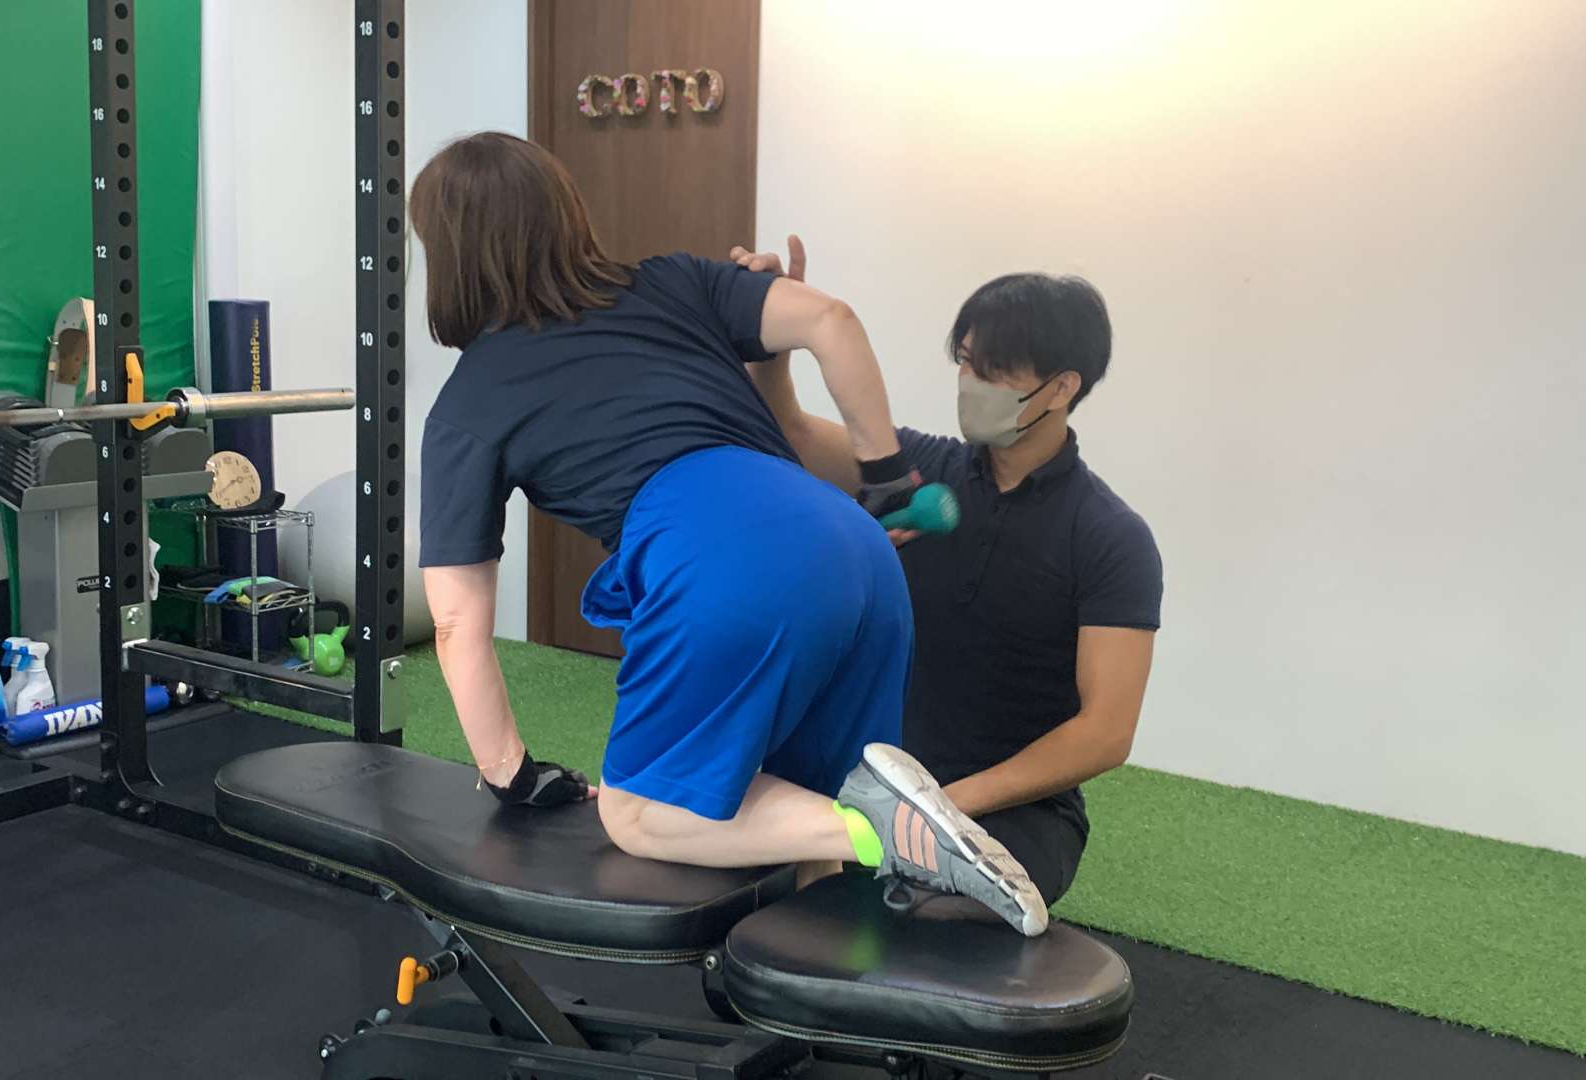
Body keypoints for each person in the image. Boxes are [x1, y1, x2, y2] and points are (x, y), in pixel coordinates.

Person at [408, 133, 1047, 936]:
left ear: (450, 256)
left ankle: (883, 830)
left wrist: (510, 774)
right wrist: (886, 474)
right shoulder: (674, 282)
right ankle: (827, 980)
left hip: (724, 562)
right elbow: (831, 319)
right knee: (799, 805)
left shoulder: (467, 405)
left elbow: (456, 624)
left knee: (640, 813)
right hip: (852, 543)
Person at [736, 236, 1162, 904]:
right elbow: (790, 432)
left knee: (921, 926)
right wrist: (776, 326)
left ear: (1062, 387)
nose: (971, 384)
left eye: (996, 371)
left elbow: (1105, 733)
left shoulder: (1110, 537)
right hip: (867, 778)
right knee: (733, 867)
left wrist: (941, 807)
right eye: (966, 362)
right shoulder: (914, 471)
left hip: (1011, 810)